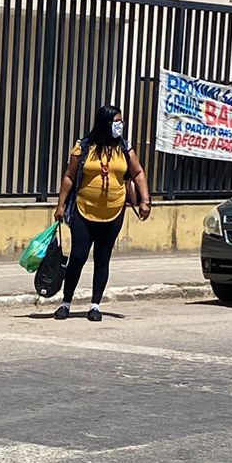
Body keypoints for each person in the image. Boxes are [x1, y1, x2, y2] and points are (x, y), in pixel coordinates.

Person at [52, 104, 151, 322]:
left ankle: (95, 305)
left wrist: (145, 200)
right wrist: (60, 205)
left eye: (121, 121)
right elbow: (69, 176)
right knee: (78, 256)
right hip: (84, 211)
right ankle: (66, 303)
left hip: (113, 212)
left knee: (102, 258)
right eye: (116, 121)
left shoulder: (124, 148)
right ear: (104, 123)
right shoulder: (84, 147)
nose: (120, 125)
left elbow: (138, 173)